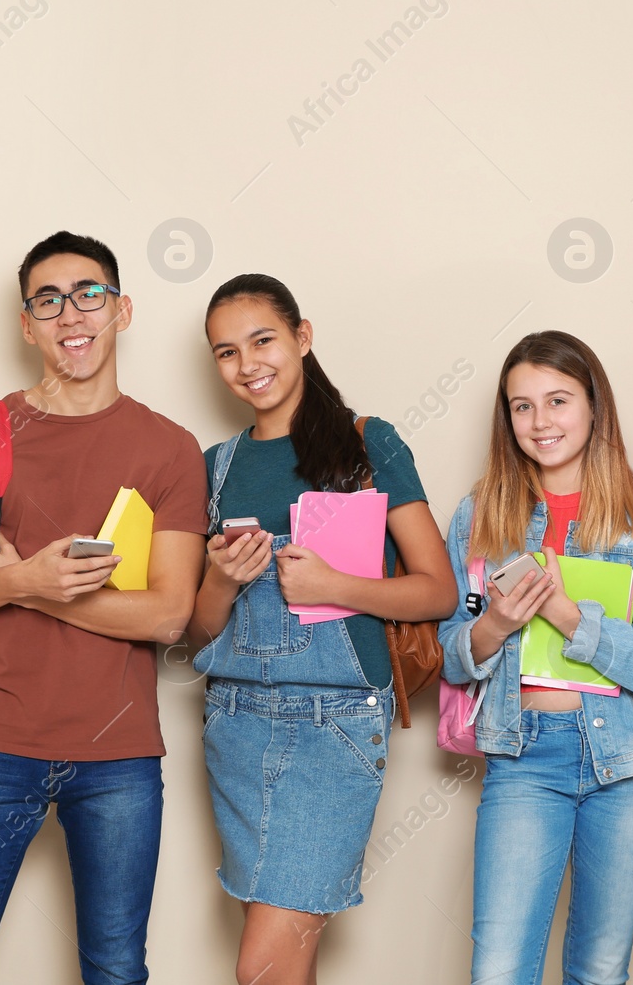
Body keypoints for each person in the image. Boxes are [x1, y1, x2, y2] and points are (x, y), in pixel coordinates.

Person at [0, 231, 208, 985]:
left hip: (119, 757)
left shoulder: (169, 448)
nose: (71, 313)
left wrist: (36, 586)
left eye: (89, 293)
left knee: (114, 972)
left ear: (122, 309)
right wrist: (21, 581)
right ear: (27, 323)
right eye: (49, 299)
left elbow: (169, 615)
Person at [185, 273, 457, 985]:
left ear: (303, 336)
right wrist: (221, 580)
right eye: (226, 352)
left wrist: (334, 584)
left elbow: (438, 589)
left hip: (333, 726)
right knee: (284, 962)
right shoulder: (217, 468)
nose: (248, 364)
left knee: (261, 965)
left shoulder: (369, 443)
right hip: (236, 723)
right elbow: (194, 634)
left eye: (263, 340)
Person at [438, 329, 633, 984]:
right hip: (524, 756)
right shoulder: (479, 515)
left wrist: (570, 618)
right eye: (521, 405)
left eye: (557, 400)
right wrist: (493, 624)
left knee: (600, 970)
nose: (539, 421)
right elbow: (451, 656)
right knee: (498, 969)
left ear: (592, 407)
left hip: (631, 761)